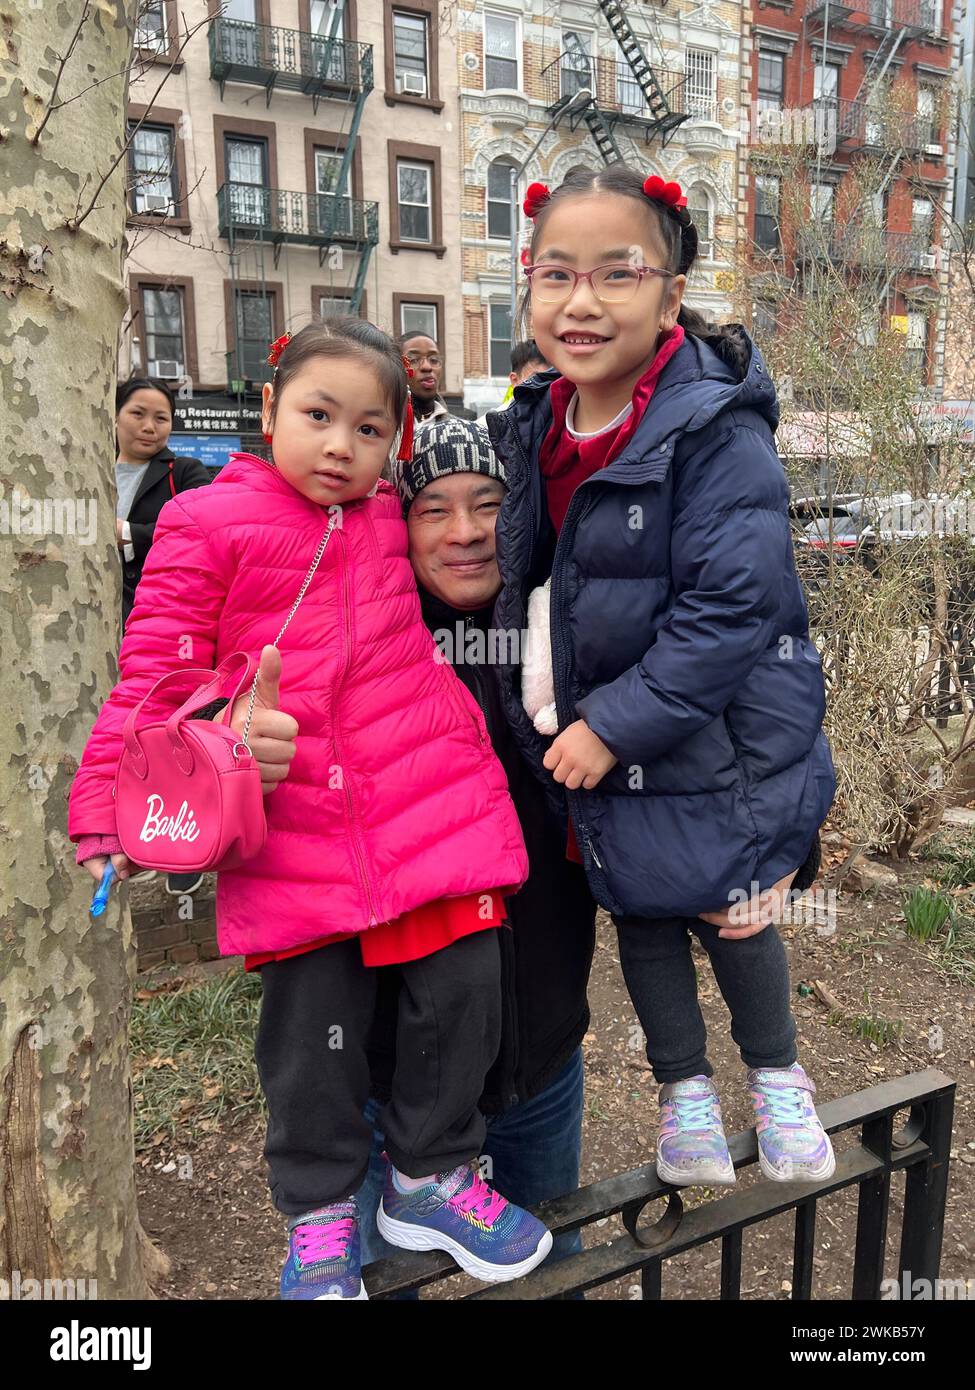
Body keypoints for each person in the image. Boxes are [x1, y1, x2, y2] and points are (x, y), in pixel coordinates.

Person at [69, 317, 552, 1300]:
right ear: (269, 410)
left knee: (464, 984)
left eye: (370, 429)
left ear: (394, 442)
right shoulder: (206, 522)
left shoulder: (386, 513)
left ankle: (431, 1173)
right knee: (312, 1034)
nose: (342, 445)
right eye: (319, 416)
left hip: (422, 791)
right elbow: (156, 668)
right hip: (294, 820)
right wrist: (106, 808)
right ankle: (322, 1218)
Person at [486, 164, 838, 1190]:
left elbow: (732, 609)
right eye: (556, 274)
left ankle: (777, 1076)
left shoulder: (716, 430)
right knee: (640, 913)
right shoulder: (536, 422)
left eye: (616, 273)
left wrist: (610, 726)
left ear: (670, 294)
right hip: (603, 739)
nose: (581, 301)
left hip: (707, 740)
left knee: (735, 912)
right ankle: (682, 1088)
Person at [355, 416, 596, 1274]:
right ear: (399, 523)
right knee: (378, 1282)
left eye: (487, 503)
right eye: (434, 510)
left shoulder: (563, 643)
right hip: (383, 1080)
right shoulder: (357, 652)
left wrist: (767, 854)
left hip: (538, 1056)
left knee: (551, 1268)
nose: (463, 532)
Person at [114, 377, 210, 897]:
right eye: (137, 414)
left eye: (162, 418)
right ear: (114, 415)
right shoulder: (88, 467)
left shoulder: (185, 472)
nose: (150, 427)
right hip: (102, 619)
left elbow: (197, 528)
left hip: (166, 622)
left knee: (170, 728)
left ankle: (181, 846)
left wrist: (128, 533)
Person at [475, 340, 551, 426]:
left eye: (552, 378)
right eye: (537, 378)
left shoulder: (566, 423)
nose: (547, 386)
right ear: (515, 380)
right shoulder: (489, 428)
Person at [396, 330, 450, 423]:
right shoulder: (384, 428)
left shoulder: (459, 430)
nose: (427, 367)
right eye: (413, 359)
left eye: (434, 359)